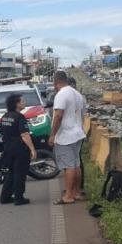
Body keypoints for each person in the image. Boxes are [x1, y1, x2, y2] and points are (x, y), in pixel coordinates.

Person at [49, 71, 86, 205]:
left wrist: (53, 135)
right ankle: (76, 192)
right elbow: (82, 113)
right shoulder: (77, 94)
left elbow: (58, 115)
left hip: (66, 135)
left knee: (68, 166)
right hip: (78, 133)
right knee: (76, 164)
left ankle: (68, 196)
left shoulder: (61, 94)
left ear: (56, 82)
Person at [0, 94, 37, 206]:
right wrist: (32, 149)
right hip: (20, 149)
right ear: (17, 104)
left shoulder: (5, 116)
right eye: (22, 101)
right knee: (20, 173)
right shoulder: (19, 117)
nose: (24, 102)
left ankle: (5, 197)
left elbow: (2, 132)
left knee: (11, 173)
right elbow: (25, 134)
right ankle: (19, 198)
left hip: (8, 148)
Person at [67, 77, 87, 196]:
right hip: (78, 131)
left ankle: (74, 189)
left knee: (72, 163)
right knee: (76, 161)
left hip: (71, 134)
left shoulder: (72, 98)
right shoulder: (80, 97)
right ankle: (76, 188)